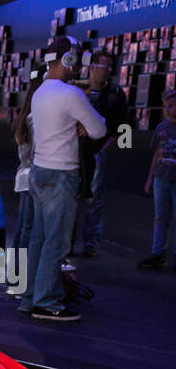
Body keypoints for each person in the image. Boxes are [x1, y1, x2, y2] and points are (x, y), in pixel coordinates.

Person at [22, 37, 106, 322]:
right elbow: (98, 129)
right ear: (67, 59)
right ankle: (46, 302)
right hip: (61, 176)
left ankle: (30, 297)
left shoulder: (40, 92)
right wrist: (81, 124)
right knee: (56, 243)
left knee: (39, 239)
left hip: (39, 172)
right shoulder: (71, 95)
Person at [75, 53, 127, 258]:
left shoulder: (116, 93)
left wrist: (109, 149)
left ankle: (91, 245)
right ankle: (67, 243)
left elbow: (124, 126)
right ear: (93, 66)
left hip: (97, 152)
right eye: (105, 65)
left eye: (110, 66)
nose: (109, 70)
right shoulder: (77, 90)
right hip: (74, 152)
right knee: (72, 197)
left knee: (94, 200)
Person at [138, 88, 176, 271]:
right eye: (165, 107)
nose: (167, 110)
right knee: (161, 217)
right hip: (162, 178)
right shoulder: (162, 128)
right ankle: (158, 253)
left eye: (171, 106)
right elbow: (157, 153)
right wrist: (150, 178)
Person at [10, 74, 44, 257]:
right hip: (33, 176)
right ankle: (21, 275)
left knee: (23, 227)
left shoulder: (25, 116)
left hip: (24, 176)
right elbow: (36, 152)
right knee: (28, 229)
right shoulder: (35, 118)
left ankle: (16, 274)